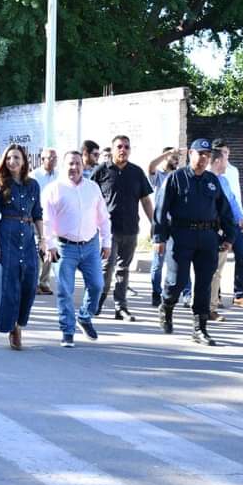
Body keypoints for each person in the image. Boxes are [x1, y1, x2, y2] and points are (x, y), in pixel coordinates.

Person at [153, 139, 235, 346]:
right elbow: (161, 210)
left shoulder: (212, 180)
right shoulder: (175, 178)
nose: (204, 158)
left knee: (204, 284)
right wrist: (159, 238)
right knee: (177, 281)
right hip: (181, 235)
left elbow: (224, 210)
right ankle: (167, 305)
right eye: (200, 154)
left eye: (207, 155)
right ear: (190, 153)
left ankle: (200, 328)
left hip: (207, 237)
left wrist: (229, 237)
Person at [42, 150, 112, 347]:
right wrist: (49, 244)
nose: (74, 167)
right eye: (70, 164)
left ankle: (85, 316)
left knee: (98, 285)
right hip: (65, 247)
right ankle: (67, 330)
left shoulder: (92, 188)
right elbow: (46, 221)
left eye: (77, 163)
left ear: (83, 165)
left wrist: (106, 241)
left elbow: (103, 217)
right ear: (64, 167)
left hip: (90, 246)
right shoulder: (53, 189)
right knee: (65, 291)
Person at [0, 144, 45, 350]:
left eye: (17, 158)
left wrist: (43, 239)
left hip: (28, 235)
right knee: (8, 284)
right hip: (7, 233)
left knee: (30, 282)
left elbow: (38, 213)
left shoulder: (33, 185)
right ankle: (12, 327)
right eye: (9, 158)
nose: (13, 162)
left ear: (24, 161)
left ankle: (20, 322)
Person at [92, 135, 154, 322]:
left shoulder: (136, 172)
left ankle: (121, 308)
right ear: (112, 149)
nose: (123, 149)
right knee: (106, 268)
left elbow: (145, 200)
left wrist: (154, 223)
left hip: (130, 229)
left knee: (123, 269)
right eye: (119, 146)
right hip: (107, 230)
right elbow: (89, 199)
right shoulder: (101, 171)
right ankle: (96, 303)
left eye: (126, 147)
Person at [207, 146, 243, 320]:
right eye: (225, 158)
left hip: (225, 230)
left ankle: (210, 308)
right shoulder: (203, 178)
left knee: (216, 270)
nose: (227, 163)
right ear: (217, 161)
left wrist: (241, 218)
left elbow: (232, 200)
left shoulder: (224, 180)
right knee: (204, 270)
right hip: (204, 230)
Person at [146, 146, 179, 307]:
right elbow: (151, 167)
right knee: (158, 262)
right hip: (160, 224)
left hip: (178, 224)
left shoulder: (180, 176)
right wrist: (167, 153)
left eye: (176, 158)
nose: (176, 160)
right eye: (173, 157)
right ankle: (155, 293)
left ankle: (185, 294)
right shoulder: (159, 175)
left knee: (181, 259)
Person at [30, 147, 59, 295]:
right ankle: (33, 283)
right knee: (37, 250)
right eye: (50, 158)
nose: (53, 161)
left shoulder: (59, 176)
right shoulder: (34, 176)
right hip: (37, 218)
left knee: (50, 249)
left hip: (53, 218)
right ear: (42, 160)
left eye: (55, 158)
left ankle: (44, 282)